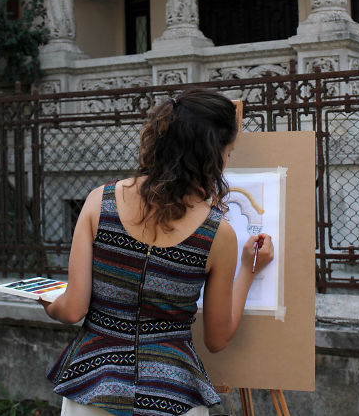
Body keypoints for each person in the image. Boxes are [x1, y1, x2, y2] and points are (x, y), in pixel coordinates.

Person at [40, 87, 274, 416]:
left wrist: (47, 300)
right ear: (210, 155)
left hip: (93, 386)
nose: (226, 161)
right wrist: (249, 270)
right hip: (174, 392)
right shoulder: (218, 235)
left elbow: (71, 309)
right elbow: (217, 339)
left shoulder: (99, 202)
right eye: (228, 152)